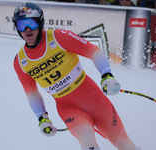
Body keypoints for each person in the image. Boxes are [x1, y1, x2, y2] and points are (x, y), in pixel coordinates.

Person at [13, 2, 141, 150]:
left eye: (31, 23)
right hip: (68, 108)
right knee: (89, 145)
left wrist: (107, 76)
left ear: (40, 23)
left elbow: (93, 51)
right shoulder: (20, 62)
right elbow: (32, 93)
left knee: (125, 145)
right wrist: (42, 118)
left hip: (94, 98)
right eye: (22, 25)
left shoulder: (58, 37)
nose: (27, 30)